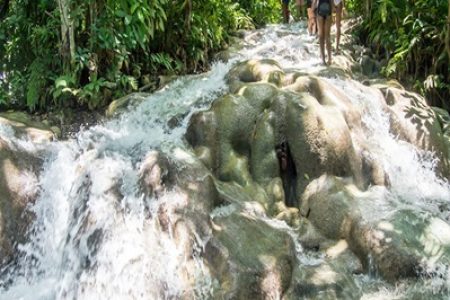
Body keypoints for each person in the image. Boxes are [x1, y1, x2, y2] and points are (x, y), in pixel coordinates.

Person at [313, 0, 333, 65]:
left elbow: (315, 2)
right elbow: (331, 1)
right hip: (328, 10)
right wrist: (331, 12)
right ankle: (330, 59)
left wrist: (313, 11)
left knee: (321, 36)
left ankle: (323, 59)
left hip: (320, 10)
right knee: (327, 36)